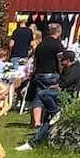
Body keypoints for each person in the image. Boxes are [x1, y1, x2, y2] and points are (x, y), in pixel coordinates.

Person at [17, 21, 66, 150]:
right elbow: (60, 61)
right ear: (58, 32)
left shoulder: (40, 45)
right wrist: (62, 73)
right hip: (51, 74)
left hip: (39, 74)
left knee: (38, 97)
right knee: (52, 96)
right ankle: (52, 117)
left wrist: (34, 73)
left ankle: (37, 123)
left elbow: (36, 61)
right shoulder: (57, 45)